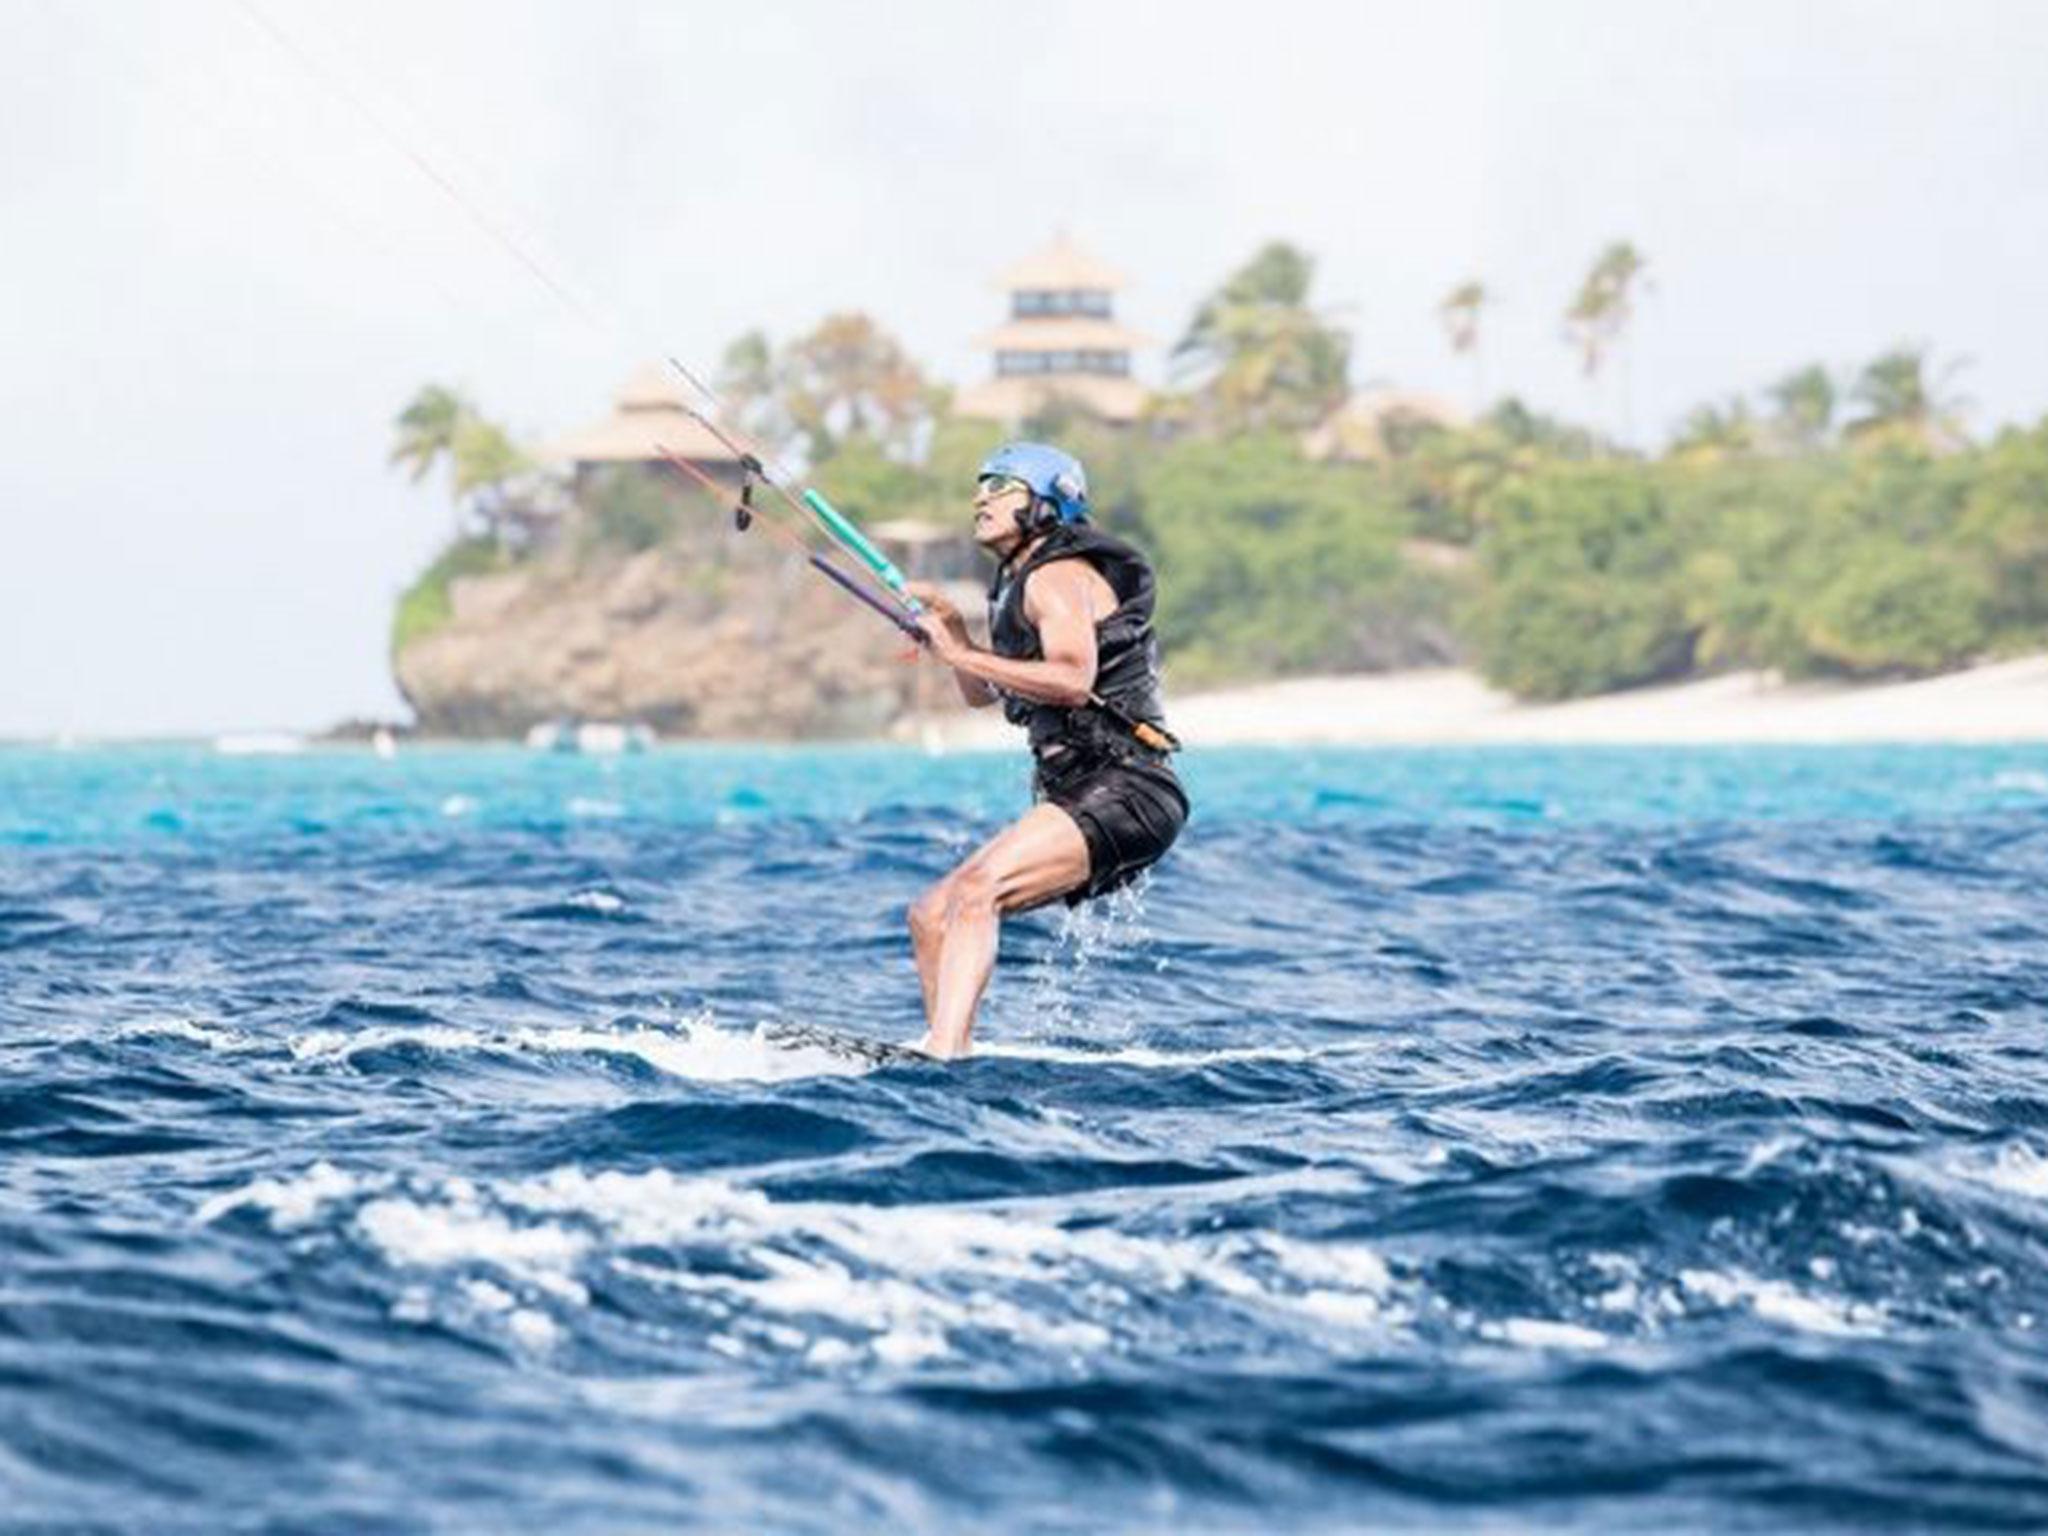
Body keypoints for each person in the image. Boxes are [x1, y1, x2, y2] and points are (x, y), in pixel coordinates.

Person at [904, 442, 1187, 1059]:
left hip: (1130, 786)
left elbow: (1071, 679)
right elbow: (981, 693)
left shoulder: (1059, 577)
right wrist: (954, 631)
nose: (982, 496)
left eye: (1001, 485)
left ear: (1047, 502)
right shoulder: (1017, 586)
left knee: (978, 891)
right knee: (931, 915)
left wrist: (957, 653)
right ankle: (946, 1056)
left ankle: (946, 1050)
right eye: (980, 483)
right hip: (1086, 789)